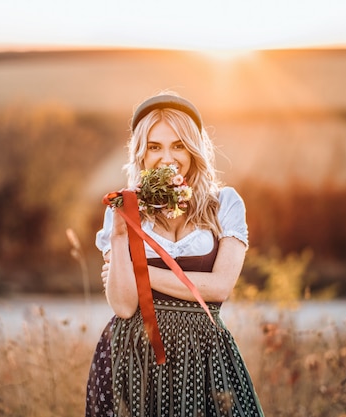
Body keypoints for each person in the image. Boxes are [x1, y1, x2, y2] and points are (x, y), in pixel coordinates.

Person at [86, 92, 264, 416]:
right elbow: (125, 306)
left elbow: (220, 287)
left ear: (194, 149)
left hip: (205, 355)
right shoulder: (122, 208)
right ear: (141, 153)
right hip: (133, 354)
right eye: (155, 146)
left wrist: (137, 270)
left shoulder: (225, 204)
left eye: (178, 144)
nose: (167, 157)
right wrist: (119, 231)